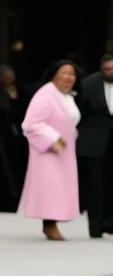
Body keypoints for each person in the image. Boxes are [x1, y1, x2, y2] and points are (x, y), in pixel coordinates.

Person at [18, 60, 82, 241]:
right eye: (64, 73)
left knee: (60, 187)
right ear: (54, 74)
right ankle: (49, 224)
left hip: (64, 152)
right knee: (50, 187)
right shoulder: (46, 94)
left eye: (72, 74)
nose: (69, 77)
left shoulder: (66, 96)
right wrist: (53, 138)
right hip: (48, 151)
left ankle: (53, 222)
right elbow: (31, 123)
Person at [75, 54, 113, 238]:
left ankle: (110, 222)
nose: (111, 72)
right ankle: (95, 226)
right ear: (101, 70)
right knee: (95, 186)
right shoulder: (88, 86)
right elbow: (80, 112)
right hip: (93, 143)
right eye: (107, 69)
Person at [0, 64, 28, 212]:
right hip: (3, 138)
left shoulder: (19, 91)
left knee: (15, 168)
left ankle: (15, 200)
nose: (10, 81)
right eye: (6, 78)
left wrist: (14, 98)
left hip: (15, 138)